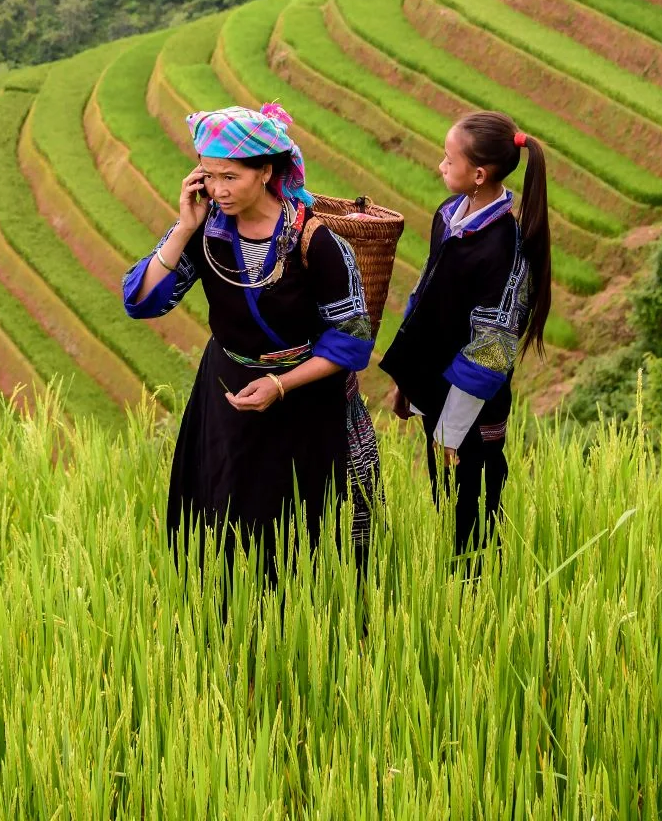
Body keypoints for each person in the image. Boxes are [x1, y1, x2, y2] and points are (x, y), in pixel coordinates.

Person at [122, 103, 378, 573]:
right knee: (225, 521)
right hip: (228, 392)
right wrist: (182, 227)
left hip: (305, 399)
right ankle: (228, 629)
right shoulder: (207, 233)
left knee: (304, 524)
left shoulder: (315, 241)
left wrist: (280, 386)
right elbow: (142, 302)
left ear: (265, 171)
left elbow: (351, 343)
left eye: (230, 177)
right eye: (208, 175)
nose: (217, 190)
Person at [379, 110, 552, 558]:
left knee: (473, 509)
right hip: (435, 385)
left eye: (448, 160)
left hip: (471, 405)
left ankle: (480, 592)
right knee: (446, 500)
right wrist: (408, 383)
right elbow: (427, 292)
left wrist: (451, 430)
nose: (440, 165)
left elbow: (491, 349)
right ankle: (454, 593)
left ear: (477, 174)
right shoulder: (448, 216)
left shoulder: (503, 247)